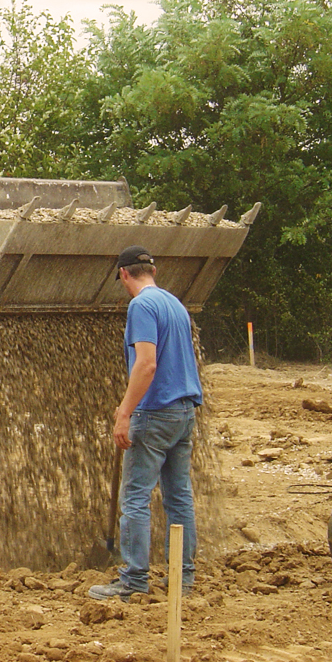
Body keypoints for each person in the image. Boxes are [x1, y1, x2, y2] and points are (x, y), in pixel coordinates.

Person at [89, 245, 200, 601]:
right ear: (152, 271)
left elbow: (147, 364)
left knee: (135, 498)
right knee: (179, 498)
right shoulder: (175, 304)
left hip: (154, 413)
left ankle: (133, 581)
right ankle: (182, 578)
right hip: (185, 412)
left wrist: (124, 412)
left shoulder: (141, 306)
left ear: (123, 274)